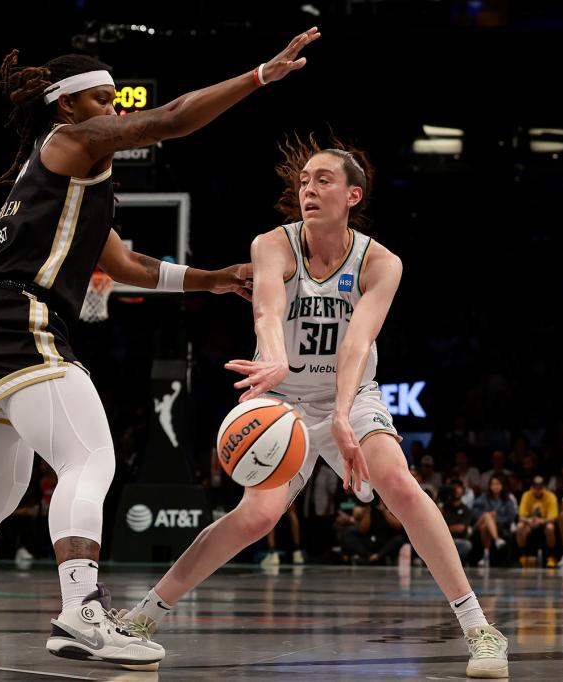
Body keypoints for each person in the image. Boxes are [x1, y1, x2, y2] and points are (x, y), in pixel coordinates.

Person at [0, 28, 323, 668]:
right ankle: (81, 613)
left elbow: (126, 264)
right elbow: (171, 118)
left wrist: (214, 279)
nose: (118, 111)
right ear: (67, 105)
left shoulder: (67, 179)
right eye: (105, 100)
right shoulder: (67, 141)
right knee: (89, 459)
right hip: (16, 317)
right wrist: (259, 75)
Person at [120, 133, 509, 677]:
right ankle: (144, 614)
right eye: (304, 180)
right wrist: (275, 358)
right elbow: (267, 311)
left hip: (349, 394)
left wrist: (346, 417)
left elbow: (356, 344)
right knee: (254, 516)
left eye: (323, 179)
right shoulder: (272, 244)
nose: (308, 188)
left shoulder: (381, 263)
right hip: (282, 399)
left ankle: (480, 629)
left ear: (354, 194)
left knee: (398, 483)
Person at [472, 475, 517, 567]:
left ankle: (486, 556)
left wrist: (496, 519)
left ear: (502, 486)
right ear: (489, 486)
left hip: (499, 526)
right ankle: (496, 539)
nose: (495, 486)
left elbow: (510, 517)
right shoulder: (483, 497)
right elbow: (474, 513)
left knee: (485, 527)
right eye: (493, 484)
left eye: (498, 484)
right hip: (479, 523)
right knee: (486, 515)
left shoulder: (508, 499)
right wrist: (489, 516)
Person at [515, 476, 559, 568]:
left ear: (544, 488)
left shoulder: (551, 496)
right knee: (519, 526)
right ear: (531, 487)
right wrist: (529, 520)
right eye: (535, 487)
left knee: (550, 527)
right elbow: (521, 516)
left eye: (540, 487)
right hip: (530, 523)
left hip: (545, 523)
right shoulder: (526, 495)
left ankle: (551, 557)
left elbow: (554, 517)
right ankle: (523, 556)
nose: (538, 490)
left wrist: (541, 521)